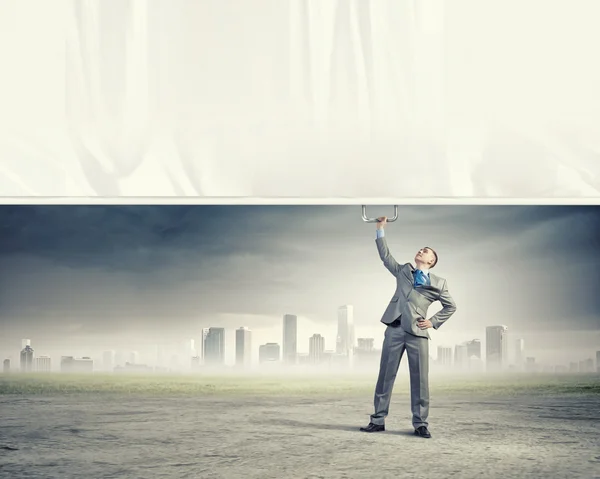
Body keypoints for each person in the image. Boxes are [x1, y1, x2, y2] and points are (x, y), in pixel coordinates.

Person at [360, 216, 457, 438]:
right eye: (421, 249)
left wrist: (432, 322)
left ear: (431, 261)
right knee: (385, 376)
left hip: (418, 334)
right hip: (394, 329)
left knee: (420, 379)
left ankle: (420, 423)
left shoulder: (439, 283)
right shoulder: (403, 270)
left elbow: (451, 306)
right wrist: (380, 229)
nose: (421, 251)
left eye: (426, 251)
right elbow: (386, 257)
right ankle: (377, 420)